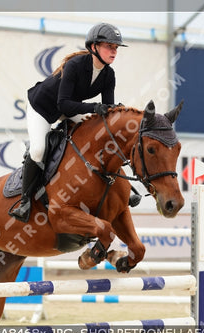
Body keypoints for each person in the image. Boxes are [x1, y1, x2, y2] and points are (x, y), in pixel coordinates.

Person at [9, 23, 127, 223]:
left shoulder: (109, 75)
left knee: (99, 131)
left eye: (116, 48)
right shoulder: (75, 65)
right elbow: (62, 103)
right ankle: (25, 201)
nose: (114, 52)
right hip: (43, 108)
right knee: (38, 150)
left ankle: (123, 188)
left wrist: (117, 111)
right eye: (109, 46)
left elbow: (105, 110)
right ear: (93, 47)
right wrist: (93, 108)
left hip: (69, 109)